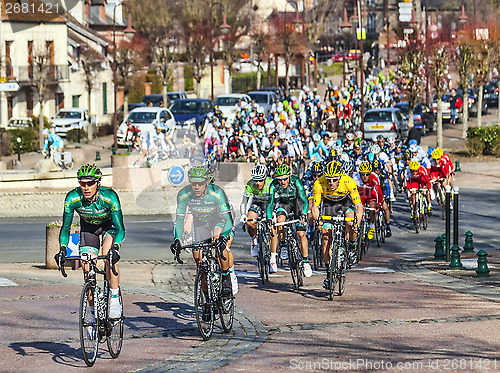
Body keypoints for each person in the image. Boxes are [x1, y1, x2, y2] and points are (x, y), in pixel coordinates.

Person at [55, 164, 125, 320]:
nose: (86, 187)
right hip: (88, 229)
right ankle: (93, 316)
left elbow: (121, 229)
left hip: (109, 227)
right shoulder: (72, 198)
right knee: (87, 269)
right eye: (82, 183)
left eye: (90, 183)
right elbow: (65, 228)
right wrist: (62, 249)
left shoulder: (109, 197)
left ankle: (114, 299)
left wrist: (116, 246)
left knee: (108, 255)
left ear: (98, 183)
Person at [171, 165, 235, 298]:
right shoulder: (184, 195)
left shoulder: (217, 193)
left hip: (218, 221)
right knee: (200, 261)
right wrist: (178, 239)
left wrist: (223, 236)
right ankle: (206, 296)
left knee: (218, 242)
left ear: (206, 182)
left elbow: (228, 220)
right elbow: (181, 220)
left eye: (200, 184)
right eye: (193, 183)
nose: (196, 187)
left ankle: (226, 278)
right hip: (201, 224)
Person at [311, 160, 363, 289]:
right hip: (329, 206)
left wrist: (357, 223)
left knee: (350, 222)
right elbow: (315, 207)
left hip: (345, 204)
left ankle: (351, 246)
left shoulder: (348, 181)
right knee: (325, 238)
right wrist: (318, 221)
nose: (331, 183)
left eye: (334, 180)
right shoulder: (319, 183)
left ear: (340, 177)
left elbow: (359, 206)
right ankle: (329, 274)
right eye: (329, 180)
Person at [266, 164, 311, 277]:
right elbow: (270, 203)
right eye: (280, 179)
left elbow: (305, 200)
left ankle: (305, 262)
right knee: (280, 221)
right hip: (284, 203)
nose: (282, 182)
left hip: (297, 203)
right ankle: (283, 244)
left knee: (301, 233)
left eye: (285, 179)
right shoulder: (274, 185)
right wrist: (269, 218)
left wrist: (304, 214)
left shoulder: (296, 181)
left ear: (290, 176)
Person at [240, 165, 273, 257]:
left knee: (273, 226)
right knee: (250, 221)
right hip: (257, 203)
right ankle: (254, 240)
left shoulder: (271, 183)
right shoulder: (250, 184)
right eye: (255, 180)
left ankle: (274, 252)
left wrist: (273, 212)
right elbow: (244, 201)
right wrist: (243, 214)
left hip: (269, 204)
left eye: (260, 180)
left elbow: (278, 200)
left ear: (265, 178)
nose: (258, 183)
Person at [352, 162, 384, 240]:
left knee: (372, 207)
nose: (365, 177)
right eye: (363, 174)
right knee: (359, 208)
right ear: (359, 173)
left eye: (367, 174)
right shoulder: (355, 178)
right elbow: (351, 192)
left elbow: (379, 193)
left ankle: (372, 225)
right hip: (361, 193)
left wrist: (379, 205)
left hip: (371, 193)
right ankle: (358, 226)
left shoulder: (374, 178)